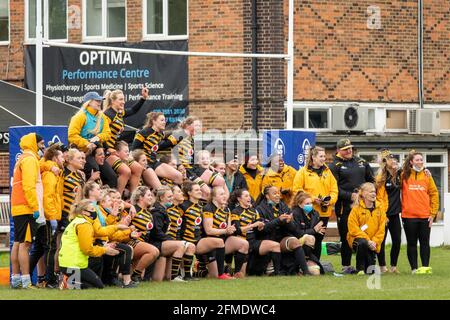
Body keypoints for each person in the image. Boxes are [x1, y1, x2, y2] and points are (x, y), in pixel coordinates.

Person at [329, 138, 374, 274]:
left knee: (365, 234)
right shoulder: (334, 165)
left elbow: (371, 180)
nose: (349, 151)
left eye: (350, 148)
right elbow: (334, 188)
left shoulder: (361, 162)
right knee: (346, 236)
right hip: (345, 207)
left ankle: (366, 265)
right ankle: (346, 266)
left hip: (362, 207)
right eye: (345, 149)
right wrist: (350, 196)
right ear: (338, 151)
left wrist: (368, 193)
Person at [58, 199, 120, 289]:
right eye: (92, 209)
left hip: (68, 263)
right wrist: (104, 250)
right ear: (84, 212)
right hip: (73, 264)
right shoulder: (84, 225)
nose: (95, 212)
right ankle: (67, 283)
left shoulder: (78, 221)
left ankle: (70, 281)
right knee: (97, 286)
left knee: (95, 281)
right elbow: (87, 249)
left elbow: (99, 231)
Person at [11, 133, 45, 289]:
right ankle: (26, 281)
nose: (42, 147)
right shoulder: (30, 160)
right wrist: (35, 207)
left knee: (17, 243)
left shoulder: (21, 159)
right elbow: (29, 186)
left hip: (18, 206)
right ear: (34, 143)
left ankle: (16, 279)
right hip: (26, 207)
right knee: (26, 244)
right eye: (41, 144)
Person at [292, 146, 338, 259]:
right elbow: (297, 190)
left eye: (324, 156)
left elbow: (334, 190)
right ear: (313, 157)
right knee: (308, 237)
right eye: (321, 156)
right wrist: (312, 199)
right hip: (308, 213)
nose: (324, 159)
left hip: (323, 213)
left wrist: (330, 200)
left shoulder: (328, 172)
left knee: (319, 238)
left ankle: (315, 263)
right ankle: (304, 262)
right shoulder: (302, 172)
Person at [29, 144, 64, 288]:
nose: (64, 158)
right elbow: (48, 198)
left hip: (47, 215)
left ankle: (27, 277)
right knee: (50, 248)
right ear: (55, 158)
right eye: (61, 156)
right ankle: (49, 281)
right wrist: (52, 217)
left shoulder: (53, 171)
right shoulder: (50, 174)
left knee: (38, 248)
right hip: (49, 216)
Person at [255, 186, 310, 276]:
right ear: (267, 196)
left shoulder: (283, 206)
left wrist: (289, 222)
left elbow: (294, 229)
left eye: (278, 193)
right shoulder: (259, 209)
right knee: (274, 245)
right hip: (266, 239)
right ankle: (275, 270)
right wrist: (278, 220)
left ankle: (306, 272)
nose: (278, 195)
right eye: (274, 193)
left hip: (281, 238)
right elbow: (262, 230)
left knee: (295, 242)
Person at [103, 88, 148, 194]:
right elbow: (100, 133)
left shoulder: (118, 113)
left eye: (124, 99)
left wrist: (143, 98)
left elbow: (132, 110)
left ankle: (133, 199)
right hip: (106, 152)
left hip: (115, 150)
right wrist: (107, 148)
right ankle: (117, 197)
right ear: (113, 101)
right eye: (120, 99)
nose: (123, 102)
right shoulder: (108, 115)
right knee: (126, 171)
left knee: (138, 168)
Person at [401, 151, 439, 274]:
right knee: (411, 243)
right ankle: (414, 268)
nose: (420, 162)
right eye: (417, 160)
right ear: (411, 162)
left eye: (421, 159)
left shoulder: (427, 175)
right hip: (409, 216)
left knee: (425, 243)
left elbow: (434, 194)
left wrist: (433, 214)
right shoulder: (404, 175)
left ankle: (425, 267)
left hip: (425, 216)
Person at [68, 91, 117, 188]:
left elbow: (107, 133)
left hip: (97, 151)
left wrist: (98, 137)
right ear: (89, 102)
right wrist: (87, 143)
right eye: (97, 100)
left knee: (112, 177)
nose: (100, 102)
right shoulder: (80, 116)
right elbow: (72, 136)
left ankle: (108, 200)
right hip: (82, 151)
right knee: (94, 170)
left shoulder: (102, 116)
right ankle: (89, 200)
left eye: (100, 100)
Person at [179, 181, 226, 279]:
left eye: (200, 189)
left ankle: (201, 272)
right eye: (196, 190)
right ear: (189, 193)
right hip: (186, 241)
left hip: (199, 241)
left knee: (213, 275)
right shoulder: (183, 206)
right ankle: (221, 274)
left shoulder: (202, 206)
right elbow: (178, 224)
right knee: (219, 241)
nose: (200, 192)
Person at [229, 189, 281, 276]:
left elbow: (259, 226)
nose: (249, 198)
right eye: (246, 196)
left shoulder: (253, 211)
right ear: (239, 199)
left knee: (276, 245)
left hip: (253, 242)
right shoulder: (235, 212)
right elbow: (237, 230)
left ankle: (277, 274)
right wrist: (252, 225)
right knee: (241, 275)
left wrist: (261, 226)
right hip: (242, 243)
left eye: (249, 196)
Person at [149, 186, 196, 282]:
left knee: (190, 245)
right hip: (156, 243)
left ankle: (185, 275)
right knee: (181, 244)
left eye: (172, 196)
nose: (172, 198)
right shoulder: (157, 211)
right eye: (169, 196)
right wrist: (170, 239)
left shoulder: (163, 209)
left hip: (161, 242)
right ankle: (175, 277)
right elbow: (156, 233)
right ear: (162, 198)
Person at [203, 187, 249, 278]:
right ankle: (201, 269)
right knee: (213, 276)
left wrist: (231, 230)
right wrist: (225, 230)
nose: (224, 196)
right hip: (210, 242)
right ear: (214, 197)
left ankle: (236, 272)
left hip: (223, 241)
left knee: (244, 243)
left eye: (224, 194)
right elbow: (208, 230)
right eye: (221, 194)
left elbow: (228, 230)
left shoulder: (227, 210)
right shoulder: (208, 208)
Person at [132, 112, 184, 188]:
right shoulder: (143, 133)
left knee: (179, 177)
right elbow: (134, 150)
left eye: (165, 120)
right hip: (145, 164)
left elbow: (167, 142)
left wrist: (181, 133)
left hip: (155, 162)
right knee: (160, 189)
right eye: (162, 120)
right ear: (154, 121)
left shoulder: (161, 134)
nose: (164, 122)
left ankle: (173, 194)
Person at [347, 183, 386, 275]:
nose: (374, 194)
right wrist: (368, 240)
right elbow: (353, 229)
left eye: (374, 192)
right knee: (362, 243)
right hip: (358, 240)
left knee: (370, 272)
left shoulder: (380, 209)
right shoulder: (356, 209)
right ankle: (359, 269)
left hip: (373, 243)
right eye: (371, 192)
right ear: (364, 194)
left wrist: (374, 242)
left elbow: (381, 230)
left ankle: (365, 267)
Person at [375, 149, 402, 273]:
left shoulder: (399, 175)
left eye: (394, 158)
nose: (394, 160)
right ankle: (382, 266)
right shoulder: (381, 178)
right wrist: (382, 214)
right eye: (391, 159)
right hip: (383, 214)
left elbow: (412, 170)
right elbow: (378, 198)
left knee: (397, 240)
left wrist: (425, 170)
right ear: (386, 162)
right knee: (381, 240)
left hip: (395, 214)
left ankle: (393, 266)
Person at [129, 186, 161, 282]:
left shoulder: (149, 214)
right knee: (154, 251)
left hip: (142, 244)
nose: (151, 197)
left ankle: (134, 275)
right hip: (131, 242)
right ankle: (135, 275)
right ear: (140, 197)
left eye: (151, 195)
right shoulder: (133, 209)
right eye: (149, 195)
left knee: (137, 281)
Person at [289, 192, 326, 275]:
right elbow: (297, 233)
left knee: (316, 273)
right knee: (309, 238)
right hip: (296, 244)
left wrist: (318, 232)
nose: (310, 205)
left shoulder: (315, 214)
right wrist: (314, 230)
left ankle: (311, 261)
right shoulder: (294, 213)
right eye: (307, 203)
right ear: (299, 204)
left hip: (310, 248)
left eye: (311, 203)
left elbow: (317, 231)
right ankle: (299, 266)